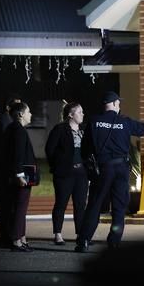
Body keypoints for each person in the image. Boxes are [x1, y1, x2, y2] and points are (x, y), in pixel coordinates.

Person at [74, 91, 144, 252]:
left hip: (103, 168)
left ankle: (83, 241)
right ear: (112, 104)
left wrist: (89, 167)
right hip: (121, 168)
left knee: (95, 205)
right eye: (118, 103)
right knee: (119, 208)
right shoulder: (125, 122)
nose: (119, 105)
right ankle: (114, 242)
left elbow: (85, 149)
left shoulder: (94, 121)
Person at [45, 102, 88, 245]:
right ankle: (58, 234)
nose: (82, 114)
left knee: (80, 205)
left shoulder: (84, 130)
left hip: (82, 174)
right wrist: (57, 166)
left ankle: (81, 235)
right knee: (61, 204)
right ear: (70, 114)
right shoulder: (60, 129)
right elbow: (49, 150)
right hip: (65, 174)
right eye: (79, 112)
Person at [4, 101, 36, 252]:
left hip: (15, 175)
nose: (31, 115)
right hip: (21, 176)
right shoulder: (19, 130)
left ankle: (21, 238)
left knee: (19, 208)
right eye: (29, 112)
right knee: (20, 209)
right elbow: (17, 156)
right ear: (21, 114)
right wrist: (20, 175)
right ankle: (17, 240)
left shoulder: (12, 128)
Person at [0, 93, 21, 248]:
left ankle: (6, 234)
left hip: (4, 168)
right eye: (16, 106)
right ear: (8, 107)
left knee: (7, 203)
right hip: (6, 169)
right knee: (7, 203)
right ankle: (6, 235)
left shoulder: (6, 121)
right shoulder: (6, 122)